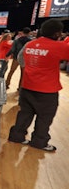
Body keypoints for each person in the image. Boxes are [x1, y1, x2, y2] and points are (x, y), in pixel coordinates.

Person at [8, 19, 69, 152]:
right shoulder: (59, 47)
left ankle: (17, 136)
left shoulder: (30, 45)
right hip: (47, 90)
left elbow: (21, 59)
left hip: (27, 86)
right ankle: (39, 141)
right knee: (44, 117)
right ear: (58, 33)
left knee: (24, 113)